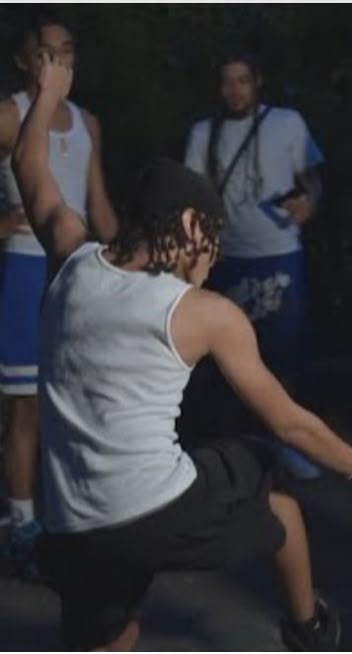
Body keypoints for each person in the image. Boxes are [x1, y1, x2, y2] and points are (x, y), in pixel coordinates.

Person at [14, 53, 352, 651]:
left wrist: (45, 95)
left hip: (73, 524)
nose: (213, 255)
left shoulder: (72, 257)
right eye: (211, 236)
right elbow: (290, 423)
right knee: (273, 492)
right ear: (186, 225)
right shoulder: (202, 314)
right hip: (158, 511)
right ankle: (310, 629)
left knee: (113, 631)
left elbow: (29, 165)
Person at [0, 13, 117, 577]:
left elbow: (97, 206)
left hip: (77, 270)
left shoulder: (88, 122)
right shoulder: (9, 115)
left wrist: (128, 269)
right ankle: (21, 525)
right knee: (24, 405)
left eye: (67, 51)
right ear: (25, 60)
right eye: (47, 53)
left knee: (77, 400)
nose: (59, 63)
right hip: (24, 269)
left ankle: (73, 521)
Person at [184, 49, 324, 480]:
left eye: (243, 80)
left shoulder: (288, 122)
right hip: (226, 258)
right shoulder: (203, 133)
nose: (235, 90)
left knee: (284, 355)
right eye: (227, 81)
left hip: (279, 251)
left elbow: (313, 175)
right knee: (226, 361)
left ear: (258, 81)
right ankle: (232, 449)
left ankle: (289, 443)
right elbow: (191, 195)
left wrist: (310, 202)